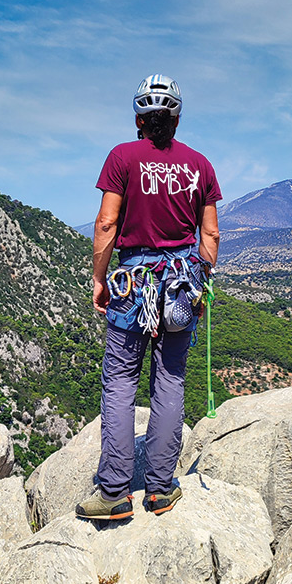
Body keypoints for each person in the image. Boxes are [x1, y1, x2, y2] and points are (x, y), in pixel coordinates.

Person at [76, 74, 221, 520]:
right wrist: (200, 282)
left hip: (133, 285)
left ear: (139, 117)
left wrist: (100, 278)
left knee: (120, 382)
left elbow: (105, 225)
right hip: (179, 283)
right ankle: (160, 489)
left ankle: (115, 492)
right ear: (176, 118)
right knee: (170, 380)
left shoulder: (122, 158)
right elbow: (210, 234)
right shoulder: (200, 165)